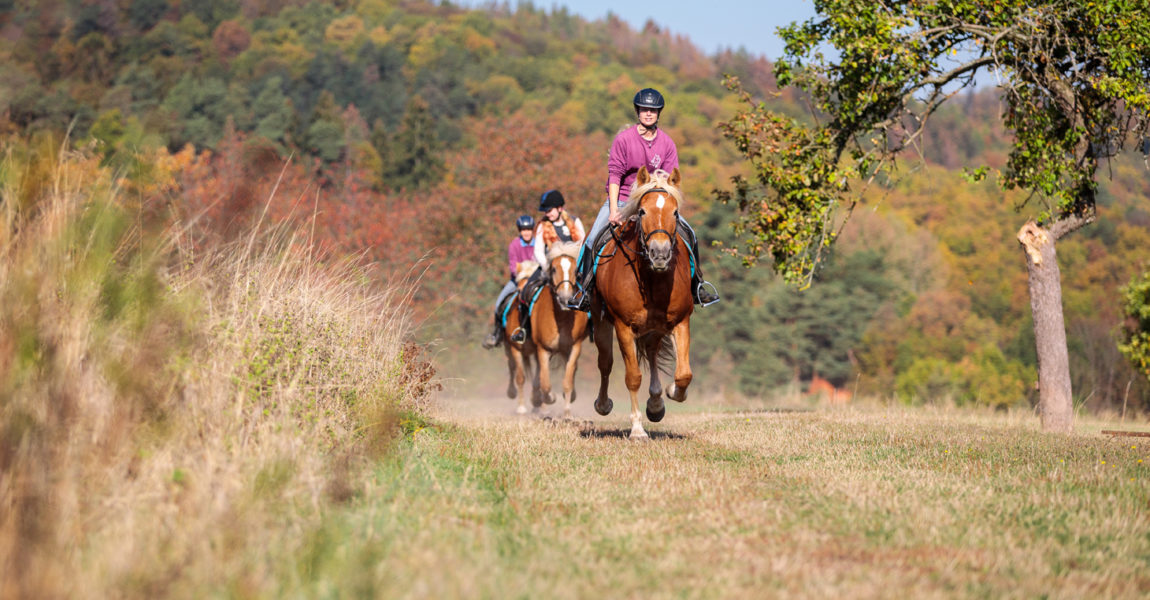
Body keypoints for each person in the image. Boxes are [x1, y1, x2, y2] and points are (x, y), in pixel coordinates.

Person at [571, 87, 720, 310]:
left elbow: (671, 182)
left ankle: (697, 286)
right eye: (644, 109)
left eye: (653, 110)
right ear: (637, 111)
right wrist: (613, 210)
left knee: (691, 236)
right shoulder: (623, 140)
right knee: (592, 240)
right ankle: (584, 291)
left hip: (653, 203)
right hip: (622, 200)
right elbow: (614, 176)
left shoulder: (667, 143)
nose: (648, 113)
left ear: (659, 113)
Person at [509, 189, 586, 343]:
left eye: (549, 210)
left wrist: (575, 267)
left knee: (592, 290)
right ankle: (524, 329)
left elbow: (583, 244)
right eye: (545, 211)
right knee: (525, 292)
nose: (547, 214)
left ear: (560, 208)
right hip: (549, 268)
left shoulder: (575, 222)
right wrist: (548, 267)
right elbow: (538, 251)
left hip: (572, 268)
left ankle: (593, 326)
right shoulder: (542, 226)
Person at [481, 214, 537, 349]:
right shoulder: (514, 244)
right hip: (517, 280)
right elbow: (513, 266)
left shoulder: (539, 243)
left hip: (535, 280)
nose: (526, 233)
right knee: (499, 302)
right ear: (520, 231)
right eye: (523, 230)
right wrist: (521, 275)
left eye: (529, 229)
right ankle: (497, 334)